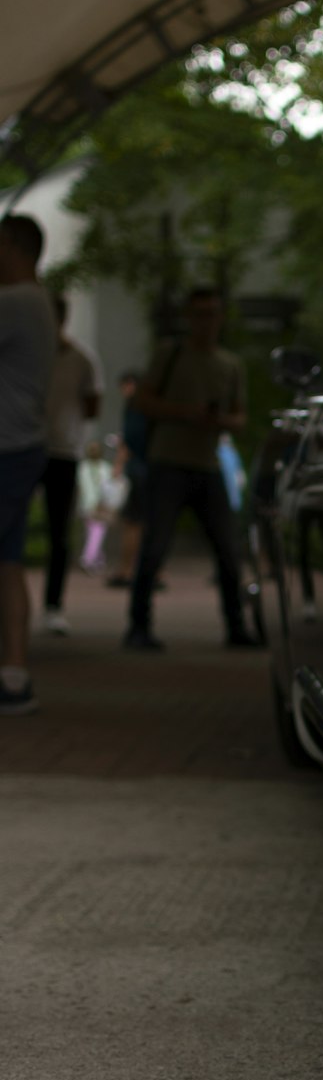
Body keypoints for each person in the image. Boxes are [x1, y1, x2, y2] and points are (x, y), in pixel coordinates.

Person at [124, 287, 257, 650]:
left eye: (212, 313)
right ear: (188, 318)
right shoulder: (171, 354)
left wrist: (217, 420)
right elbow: (143, 400)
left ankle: (236, 627)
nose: (206, 321)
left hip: (207, 464)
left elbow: (240, 418)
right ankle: (138, 627)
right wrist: (185, 413)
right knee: (155, 547)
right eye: (199, 314)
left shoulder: (230, 364)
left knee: (228, 550)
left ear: (220, 317)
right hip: (167, 461)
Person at [0, 214, 57, 714]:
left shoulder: (15, 302)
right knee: (9, 562)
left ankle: (15, 673)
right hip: (24, 445)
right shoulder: (38, 301)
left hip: (6, 448)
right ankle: (14, 672)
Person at [38, 293, 103, 633]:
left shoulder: (80, 359)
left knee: (59, 533)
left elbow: (94, 403)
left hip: (63, 451)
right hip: (26, 448)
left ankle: (53, 605)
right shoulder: (27, 355)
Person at [106, 370, 148, 588]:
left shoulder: (136, 407)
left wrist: (119, 464)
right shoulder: (146, 406)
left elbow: (130, 439)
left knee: (134, 522)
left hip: (140, 471)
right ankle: (142, 570)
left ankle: (127, 570)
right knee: (142, 522)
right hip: (147, 470)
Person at [76, 439, 120, 573]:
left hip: (102, 505)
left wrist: (108, 504)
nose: (93, 451)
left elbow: (111, 487)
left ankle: (87, 559)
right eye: (91, 448)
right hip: (87, 505)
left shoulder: (106, 467)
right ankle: (99, 561)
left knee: (97, 531)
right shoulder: (82, 467)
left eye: (95, 448)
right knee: (93, 533)